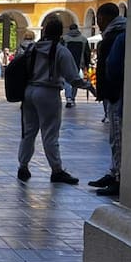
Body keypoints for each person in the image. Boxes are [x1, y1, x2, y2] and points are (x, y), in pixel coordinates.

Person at [16, 17, 95, 185]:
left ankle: (23, 166)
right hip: (48, 92)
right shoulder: (61, 51)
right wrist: (89, 86)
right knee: (50, 133)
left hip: (29, 91)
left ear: (44, 31)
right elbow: (73, 77)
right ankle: (56, 170)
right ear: (60, 33)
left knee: (28, 132)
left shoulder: (32, 48)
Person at [90, 3, 126, 197]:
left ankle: (119, 178)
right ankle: (113, 172)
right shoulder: (119, 32)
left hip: (116, 93)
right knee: (114, 136)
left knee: (117, 137)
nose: (98, 23)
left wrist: (106, 89)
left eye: (98, 19)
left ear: (103, 17)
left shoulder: (115, 35)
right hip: (116, 92)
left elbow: (112, 66)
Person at [61, 22, 91, 108]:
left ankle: (68, 98)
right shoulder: (83, 39)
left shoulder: (64, 38)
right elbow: (87, 53)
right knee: (76, 80)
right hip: (78, 63)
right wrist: (87, 64)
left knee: (67, 81)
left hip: (66, 62)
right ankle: (73, 98)